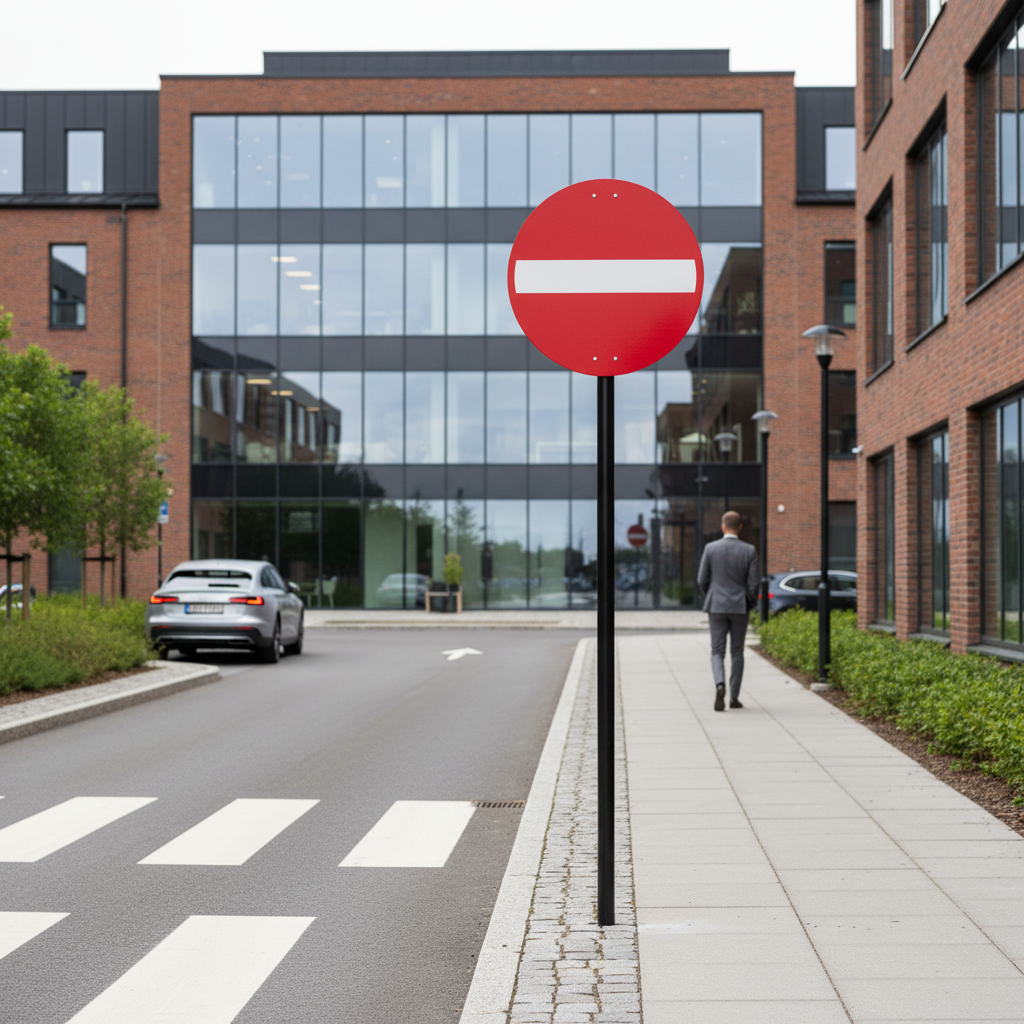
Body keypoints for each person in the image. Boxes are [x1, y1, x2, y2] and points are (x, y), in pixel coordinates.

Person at [697, 510, 760, 712]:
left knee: (716, 650)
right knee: (737, 651)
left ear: (723, 526)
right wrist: (748, 601)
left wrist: (711, 594)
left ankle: (719, 685)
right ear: (740, 526)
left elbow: (701, 579)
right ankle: (734, 697)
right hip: (739, 606)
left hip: (716, 605)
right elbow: (754, 584)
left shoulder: (710, 548)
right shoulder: (749, 550)